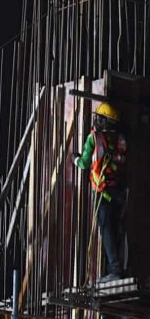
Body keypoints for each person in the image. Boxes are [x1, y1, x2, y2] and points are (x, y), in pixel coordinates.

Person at [74, 101, 128, 282]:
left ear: (104, 121)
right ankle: (118, 268)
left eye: (98, 118)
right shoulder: (120, 139)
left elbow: (84, 163)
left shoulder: (94, 138)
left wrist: (75, 159)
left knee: (107, 231)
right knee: (118, 229)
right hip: (119, 191)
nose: (95, 120)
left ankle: (115, 270)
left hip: (103, 192)